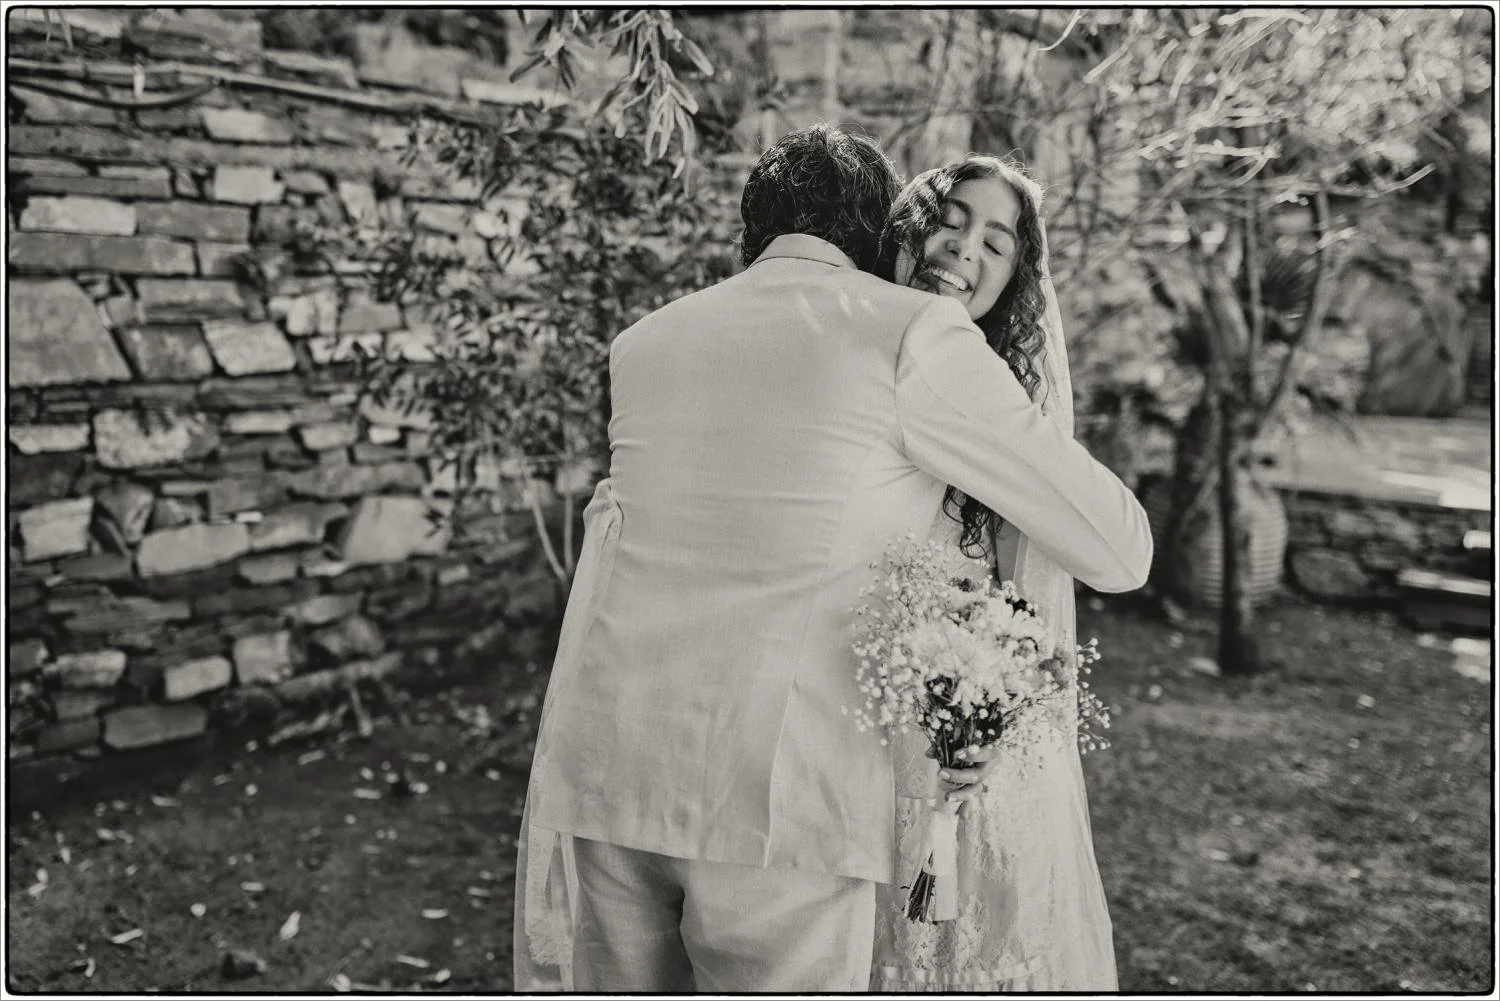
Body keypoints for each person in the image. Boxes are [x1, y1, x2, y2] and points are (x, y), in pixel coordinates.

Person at [512, 124, 1152, 991]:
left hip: (610, 771)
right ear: (882, 229)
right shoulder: (912, 332)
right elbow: (1119, 548)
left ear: (754, 229)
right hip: (778, 807)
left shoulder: (645, 341)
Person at [870, 155, 1119, 991]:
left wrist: (988, 709)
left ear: (1015, 280)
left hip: (943, 730)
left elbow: (1027, 585)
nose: (964, 249)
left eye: (996, 242)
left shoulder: (997, 402)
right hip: (842, 728)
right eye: (953, 219)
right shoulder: (850, 349)